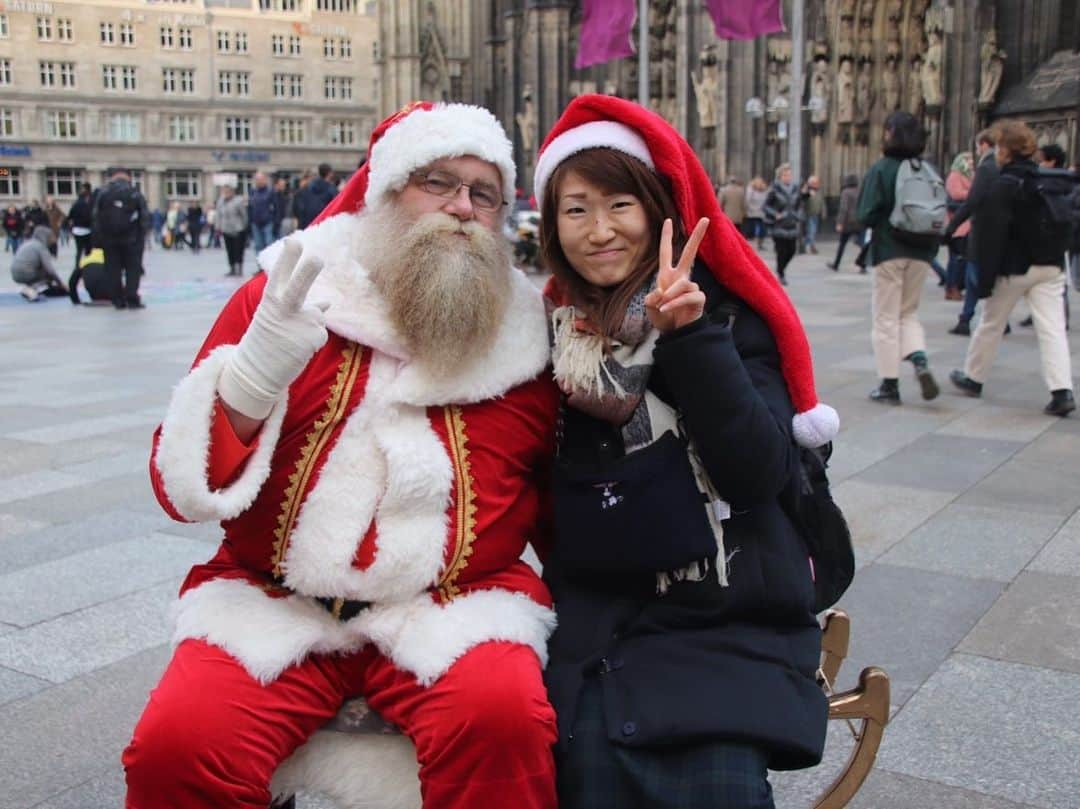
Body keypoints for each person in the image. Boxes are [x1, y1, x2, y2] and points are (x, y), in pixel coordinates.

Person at [122, 101, 560, 809]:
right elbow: (180, 488)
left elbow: (564, 498)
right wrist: (252, 381)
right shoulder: (292, 290)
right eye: (438, 182)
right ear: (386, 193)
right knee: (180, 743)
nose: (461, 207)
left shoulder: (528, 333)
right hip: (277, 601)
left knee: (503, 722)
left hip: (455, 608)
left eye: (484, 194)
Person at [532, 94, 837, 809]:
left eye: (619, 205)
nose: (599, 230)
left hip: (728, 606)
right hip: (602, 606)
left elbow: (760, 473)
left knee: (710, 776)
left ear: (658, 210)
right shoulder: (554, 337)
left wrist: (691, 341)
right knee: (575, 759)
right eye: (575, 209)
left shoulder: (726, 316)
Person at [949, 122, 1075, 417]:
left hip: (1015, 269)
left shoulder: (1004, 184)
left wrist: (985, 280)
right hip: (1051, 266)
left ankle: (974, 377)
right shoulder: (1047, 179)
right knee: (1053, 329)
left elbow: (992, 236)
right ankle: (1062, 391)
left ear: (1005, 150)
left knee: (991, 323)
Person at [856, 110, 940, 404]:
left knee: (886, 318)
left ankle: (889, 384)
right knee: (909, 312)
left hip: (890, 250)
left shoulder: (883, 169)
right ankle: (918, 357)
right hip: (923, 251)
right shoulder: (926, 169)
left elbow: (865, 213)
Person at [943, 129, 999, 336]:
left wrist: (952, 226)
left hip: (982, 230)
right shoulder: (1003, 165)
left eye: (977, 146)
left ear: (984, 144)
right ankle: (968, 319)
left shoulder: (986, 167)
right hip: (1000, 231)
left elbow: (972, 202)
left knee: (973, 276)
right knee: (982, 276)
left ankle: (968, 319)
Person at [1019, 144, 1072, 329]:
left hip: (1054, 234)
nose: (1039, 164)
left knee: (1057, 281)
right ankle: (1038, 313)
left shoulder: (1058, 182)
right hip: (1053, 235)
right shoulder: (1056, 179)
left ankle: (1061, 316)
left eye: (1042, 160)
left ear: (1052, 161)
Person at [93, 167, 150, 309]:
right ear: (127, 177)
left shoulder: (103, 193)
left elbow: (95, 216)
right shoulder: (134, 193)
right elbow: (144, 215)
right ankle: (132, 297)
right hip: (131, 239)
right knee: (133, 269)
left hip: (109, 239)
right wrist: (142, 235)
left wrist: (98, 238)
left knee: (112, 269)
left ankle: (117, 299)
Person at [763, 163, 802, 286]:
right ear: (780, 176)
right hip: (779, 225)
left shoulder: (795, 188)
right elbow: (765, 206)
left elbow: (799, 204)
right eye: (785, 175)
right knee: (781, 251)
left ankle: (781, 269)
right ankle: (781, 273)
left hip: (791, 224)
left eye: (789, 175)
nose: (788, 177)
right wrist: (775, 214)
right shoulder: (774, 190)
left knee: (792, 250)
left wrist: (797, 215)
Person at [943, 151, 974, 300]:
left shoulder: (970, 175)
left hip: (968, 222)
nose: (971, 163)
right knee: (955, 257)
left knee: (962, 257)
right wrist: (973, 193)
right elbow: (955, 194)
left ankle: (958, 286)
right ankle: (951, 287)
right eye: (968, 160)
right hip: (957, 221)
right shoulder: (955, 175)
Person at [10, 225, 67, 301]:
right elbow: (50, 270)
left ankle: (31, 288)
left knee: (41, 270)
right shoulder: (41, 247)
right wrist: (61, 284)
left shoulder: (27, 243)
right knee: (48, 275)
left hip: (15, 273)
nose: (52, 240)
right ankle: (30, 289)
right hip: (26, 273)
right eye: (50, 237)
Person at [827, 174, 862, 270]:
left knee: (842, 244)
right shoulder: (860, 191)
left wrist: (840, 222)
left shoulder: (846, 192)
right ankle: (863, 265)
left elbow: (843, 208)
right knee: (862, 244)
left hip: (848, 223)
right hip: (859, 221)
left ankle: (836, 264)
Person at [293, 162, 338, 229]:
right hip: (324, 224)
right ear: (330, 173)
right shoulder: (331, 190)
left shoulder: (308, 188)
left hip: (308, 225)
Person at [217, 184, 248, 276]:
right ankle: (232, 268)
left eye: (228, 191)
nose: (226, 193)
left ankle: (239, 268)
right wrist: (218, 226)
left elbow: (244, 215)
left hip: (238, 229)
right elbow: (218, 215)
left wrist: (244, 226)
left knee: (238, 250)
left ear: (232, 192)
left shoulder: (238, 201)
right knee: (229, 250)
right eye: (224, 192)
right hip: (226, 229)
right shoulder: (221, 202)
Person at [248, 171, 277, 252]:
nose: (259, 181)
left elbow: (276, 208)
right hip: (255, 223)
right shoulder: (252, 192)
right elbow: (250, 207)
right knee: (258, 245)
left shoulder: (271, 192)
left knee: (269, 244)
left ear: (265, 180)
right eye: (257, 179)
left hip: (268, 222)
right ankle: (260, 263)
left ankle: (269, 263)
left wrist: (275, 221)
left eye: (261, 179)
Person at [801, 175, 824, 254]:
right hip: (808, 214)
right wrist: (806, 191)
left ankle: (805, 245)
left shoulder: (819, 191)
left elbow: (822, 201)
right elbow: (802, 199)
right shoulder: (807, 190)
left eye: (817, 183)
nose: (815, 184)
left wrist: (823, 211)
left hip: (816, 214)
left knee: (811, 231)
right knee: (811, 231)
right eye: (813, 183)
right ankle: (811, 246)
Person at [743, 176, 768, 249]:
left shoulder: (764, 190)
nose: (759, 184)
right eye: (757, 182)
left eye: (760, 182)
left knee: (762, 231)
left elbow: (766, 200)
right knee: (750, 230)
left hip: (761, 213)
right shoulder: (750, 189)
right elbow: (747, 200)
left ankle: (760, 244)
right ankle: (747, 245)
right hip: (752, 213)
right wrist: (750, 209)